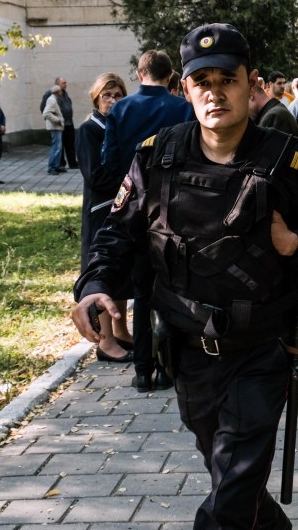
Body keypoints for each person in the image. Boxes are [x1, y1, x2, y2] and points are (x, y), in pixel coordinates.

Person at [71, 22, 298, 530]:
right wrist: (95, 287)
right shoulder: (158, 155)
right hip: (186, 353)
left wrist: (297, 245)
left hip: (262, 349)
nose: (215, 93)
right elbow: (117, 233)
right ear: (185, 89)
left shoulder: (288, 161)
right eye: (203, 82)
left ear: (251, 83)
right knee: (232, 482)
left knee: (231, 495)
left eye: (228, 79)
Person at [101, 49, 195, 393]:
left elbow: (109, 162)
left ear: (140, 75)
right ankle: (168, 365)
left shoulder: (121, 109)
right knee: (173, 290)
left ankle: (142, 369)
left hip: (134, 211)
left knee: (141, 293)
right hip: (175, 212)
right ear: (171, 77)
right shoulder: (182, 108)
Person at [76, 73, 133, 362]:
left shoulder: (118, 126)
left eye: (118, 94)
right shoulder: (89, 129)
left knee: (120, 271)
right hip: (101, 212)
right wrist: (127, 180)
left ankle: (121, 330)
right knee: (102, 275)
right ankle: (106, 341)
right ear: (96, 99)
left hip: (120, 210)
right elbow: (95, 175)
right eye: (107, 95)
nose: (113, 100)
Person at [43, 85, 66, 175]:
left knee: (58, 148)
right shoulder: (52, 100)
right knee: (56, 148)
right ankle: (52, 167)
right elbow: (46, 113)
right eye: (60, 91)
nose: (62, 92)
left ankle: (56, 166)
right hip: (55, 127)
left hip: (56, 127)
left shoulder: (54, 99)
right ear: (57, 92)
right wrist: (57, 120)